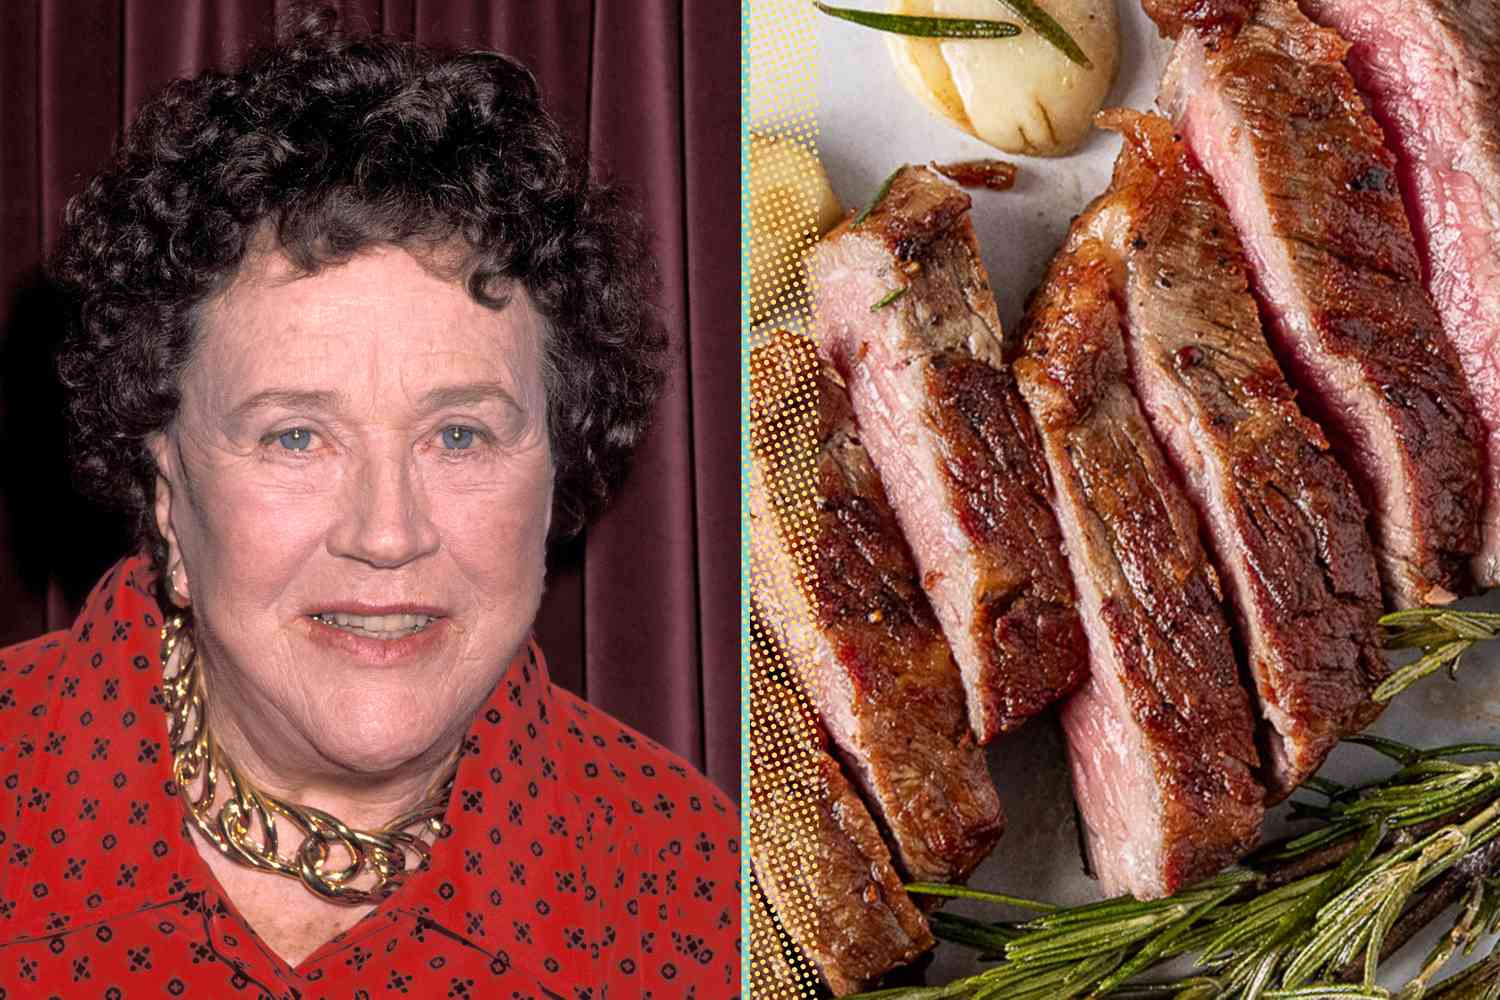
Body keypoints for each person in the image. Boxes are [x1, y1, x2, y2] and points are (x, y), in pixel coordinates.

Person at [0, 9, 740, 996]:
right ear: (166, 487)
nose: (387, 533)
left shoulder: (697, 896)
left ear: (559, 465)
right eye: (296, 436)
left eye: (460, 435)